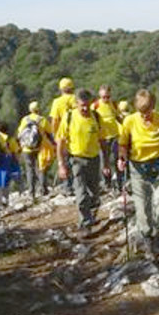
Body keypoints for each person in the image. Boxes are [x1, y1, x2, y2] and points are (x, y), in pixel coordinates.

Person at [119, 89, 159, 256]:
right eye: (141, 112)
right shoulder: (129, 122)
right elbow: (123, 144)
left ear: (153, 107)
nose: (145, 116)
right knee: (142, 207)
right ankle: (148, 240)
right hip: (138, 168)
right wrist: (121, 158)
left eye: (147, 112)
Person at [56, 88, 103, 233]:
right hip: (76, 160)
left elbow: (102, 140)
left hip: (94, 160)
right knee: (81, 193)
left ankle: (91, 214)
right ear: (76, 104)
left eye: (87, 105)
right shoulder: (69, 117)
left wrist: (107, 162)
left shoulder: (96, 116)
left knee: (94, 193)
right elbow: (60, 142)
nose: (84, 108)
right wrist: (61, 165)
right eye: (81, 105)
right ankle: (85, 224)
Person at [17, 101, 52, 201]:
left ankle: (31, 192)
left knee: (29, 169)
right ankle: (43, 189)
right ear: (38, 109)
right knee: (41, 168)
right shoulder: (42, 119)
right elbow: (50, 131)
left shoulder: (25, 119)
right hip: (40, 148)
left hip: (26, 148)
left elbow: (20, 132)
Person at [49, 77, 78, 195]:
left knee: (63, 160)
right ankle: (78, 184)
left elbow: (55, 120)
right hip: (76, 133)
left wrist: (54, 136)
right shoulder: (77, 99)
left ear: (61, 89)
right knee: (76, 160)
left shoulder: (57, 102)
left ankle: (67, 187)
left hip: (63, 134)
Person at [92, 85, 122, 192]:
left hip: (114, 136)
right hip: (102, 137)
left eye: (108, 97)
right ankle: (107, 183)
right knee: (104, 162)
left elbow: (118, 117)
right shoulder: (95, 106)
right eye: (104, 97)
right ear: (100, 95)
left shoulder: (113, 104)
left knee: (117, 159)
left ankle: (120, 183)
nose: (106, 99)